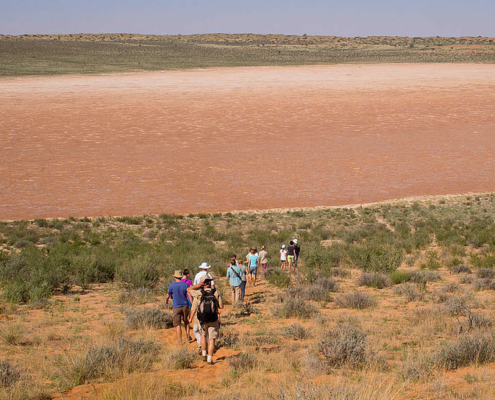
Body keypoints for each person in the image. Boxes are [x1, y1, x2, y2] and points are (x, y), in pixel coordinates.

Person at [189, 276, 223, 365]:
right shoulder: (216, 293)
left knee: (203, 335)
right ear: (210, 283)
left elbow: (188, 289)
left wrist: (198, 285)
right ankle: (209, 359)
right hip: (213, 318)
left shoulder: (199, 293)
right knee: (212, 339)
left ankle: (204, 354)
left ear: (203, 284)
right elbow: (221, 306)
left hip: (203, 319)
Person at [165, 270, 191, 344]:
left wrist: (166, 301)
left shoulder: (172, 285)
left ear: (175, 277)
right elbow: (189, 294)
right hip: (185, 305)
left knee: (178, 324)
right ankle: (188, 334)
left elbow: (167, 295)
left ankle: (180, 341)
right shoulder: (185, 285)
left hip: (176, 306)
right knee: (186, 321)